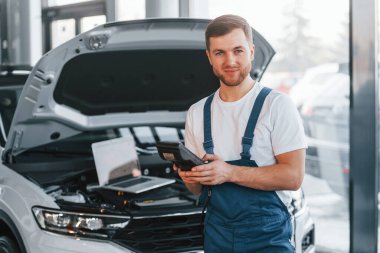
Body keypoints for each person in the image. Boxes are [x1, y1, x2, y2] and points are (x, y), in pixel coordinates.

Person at [176, 14, 307, 252]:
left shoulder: (277, 105)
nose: (230, 61)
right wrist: (191, 179)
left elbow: (293, 176)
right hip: (217, 235)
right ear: (209, 57)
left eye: (238, 50)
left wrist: (228, 172)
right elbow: (197, 191)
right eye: (220, 53)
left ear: (252, 51)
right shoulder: (197, 113)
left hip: (267, 237)